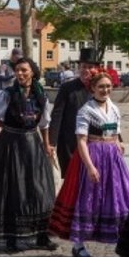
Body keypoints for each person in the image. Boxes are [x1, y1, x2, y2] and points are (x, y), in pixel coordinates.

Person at [49, 71, 129, 257]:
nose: (105, 90)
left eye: (108, 86)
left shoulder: (114, 108)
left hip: (112, 157)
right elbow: (81, 141)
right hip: (94, 154)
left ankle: (124, 244)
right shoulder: (86, 110)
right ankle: (78, 244)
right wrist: (89, 166)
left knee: (120, 198)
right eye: (101, 87)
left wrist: (119, 142)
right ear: (93, 89)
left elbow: (116, 131)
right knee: (87, 199)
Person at [0, 57, 57, 253]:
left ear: (33, 72)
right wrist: (6, 126)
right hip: (11, 144)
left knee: (40, 188)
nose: (20, 73)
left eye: (24, 70)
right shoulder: (7, 94)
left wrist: (47, 144)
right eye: (17, 70)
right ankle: (12, 237)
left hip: (33, 144)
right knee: (14, 189)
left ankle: (42, 235)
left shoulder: (41, 94)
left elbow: (45, 123)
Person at [49, 47, 101, 176]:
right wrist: (52, 142)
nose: (86, 70)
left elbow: (109, 115)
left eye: (90, 67)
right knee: (72, 179)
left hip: (95, 142)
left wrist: (119, 139)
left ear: (96, 69)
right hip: (70, 142)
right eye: (83, 66)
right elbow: (57, 115)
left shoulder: (100, 88)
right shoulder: (68, 88)